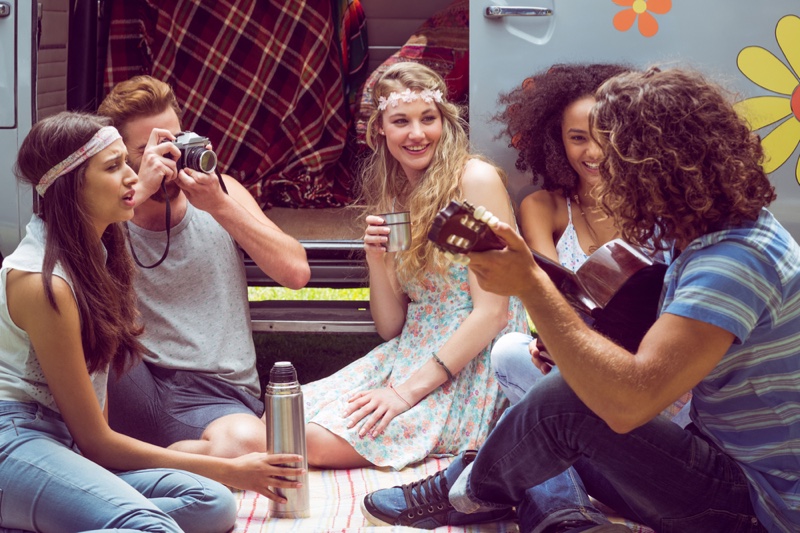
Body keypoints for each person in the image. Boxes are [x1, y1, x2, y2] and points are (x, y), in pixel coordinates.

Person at [361, 67, 800, 533]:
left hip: (757, 503)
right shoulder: (706, 232)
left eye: (614, 159)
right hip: (714, 450)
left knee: (564, 403)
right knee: (541, 423)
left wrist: (531, 284)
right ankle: (555, 514)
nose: (602, 171)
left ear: (657, 166)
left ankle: (472, 491)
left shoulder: (732, 263)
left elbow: (630, 402)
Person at [0, 112, 305, 532]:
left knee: (212, 503)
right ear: (72, 186)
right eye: (114, 166)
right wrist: (233, 471)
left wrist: (222, 475)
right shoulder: (43, 283)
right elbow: (96, 441)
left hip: (62, 444)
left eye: (127, 162)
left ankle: (51, 517)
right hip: (17, 442)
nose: (134, 177)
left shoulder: (95, 256)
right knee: (152, 525)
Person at [302, 62, 528, 470]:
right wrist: (377, 259)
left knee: (313, 441)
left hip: (470, 361)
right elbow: (392, 325)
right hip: (410, 350)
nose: (417, 134)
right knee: (287, 416)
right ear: (380, 130)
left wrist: (404, 394)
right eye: (401, 121)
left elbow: (493, 314)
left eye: (428, 118)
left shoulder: (474, 181)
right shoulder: (395, 199)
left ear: (445, 121)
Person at [97, 76, 311, 458]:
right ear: (121, 157)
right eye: (148, 150)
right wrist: (137, 192)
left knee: (249, 442)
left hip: (216, 394)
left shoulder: (222, 193)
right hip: (136, 379)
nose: (165, 158)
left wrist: (219, 206)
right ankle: (140, 453)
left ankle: (141, 458)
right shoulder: (106, 215)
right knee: (80, 311)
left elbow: (296, 273)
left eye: (172, 142)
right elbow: (53, 262)